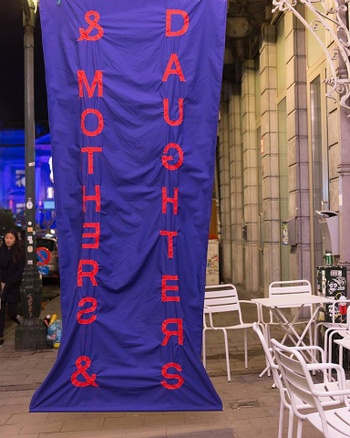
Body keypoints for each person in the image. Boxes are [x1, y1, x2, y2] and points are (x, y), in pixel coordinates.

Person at [0, 229, 25, 346]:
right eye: (6, 238)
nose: (8, 240)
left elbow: (20, 271)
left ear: (15, 239)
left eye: (11, 238)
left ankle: (22, 323)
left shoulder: (18, 252)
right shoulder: (1, 251)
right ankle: (0, 336)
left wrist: (10, 282)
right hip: (1, 285)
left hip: (12, 286)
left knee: (12, 312)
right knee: (1, 312)